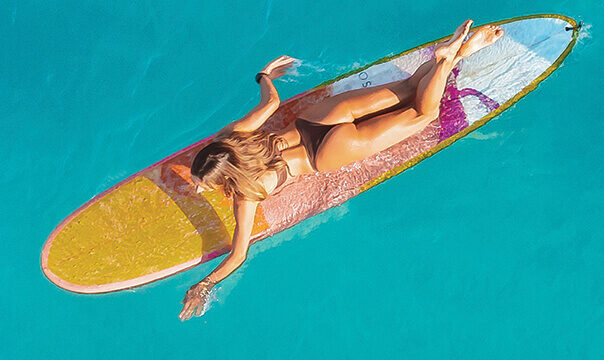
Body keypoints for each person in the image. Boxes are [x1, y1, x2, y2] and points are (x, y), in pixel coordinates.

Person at [177, 20, 503, 320]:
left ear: (227, 179)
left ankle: (446, 59)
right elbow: (271, 106)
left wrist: (203, 285)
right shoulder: (231, 137)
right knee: (406, 88)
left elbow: (238, 254)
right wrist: (264, 76)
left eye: (202, 184)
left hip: (325, 153)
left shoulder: (246, 195)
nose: (199, 189)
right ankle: (460, 51)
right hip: (318, 118)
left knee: (421, 115)